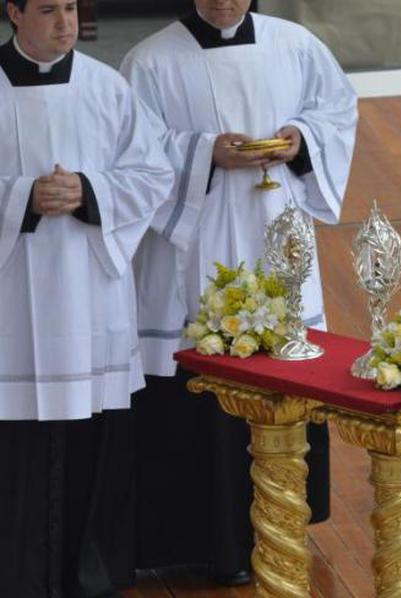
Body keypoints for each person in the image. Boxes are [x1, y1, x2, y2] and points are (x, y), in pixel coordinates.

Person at [120, 0, 358, 585]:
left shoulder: (293, 44)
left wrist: (298, 140)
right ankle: (197, 537)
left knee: (284, 362)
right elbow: (132, 151)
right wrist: (205, 153)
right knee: (206, 369)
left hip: (274, 223)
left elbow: (336, 109)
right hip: (194, 240)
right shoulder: (149, 61)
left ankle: (282, 520)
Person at [0, 0, 174, 595]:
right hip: (10, 313)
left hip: (88, 300)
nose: (65, 23)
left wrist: (89, 190)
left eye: (70, 8)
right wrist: (23, 197)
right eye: (48, 10)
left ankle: (87, 580)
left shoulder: (108, 87)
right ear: (14, 13)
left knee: (89, 444)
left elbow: (154, 174)